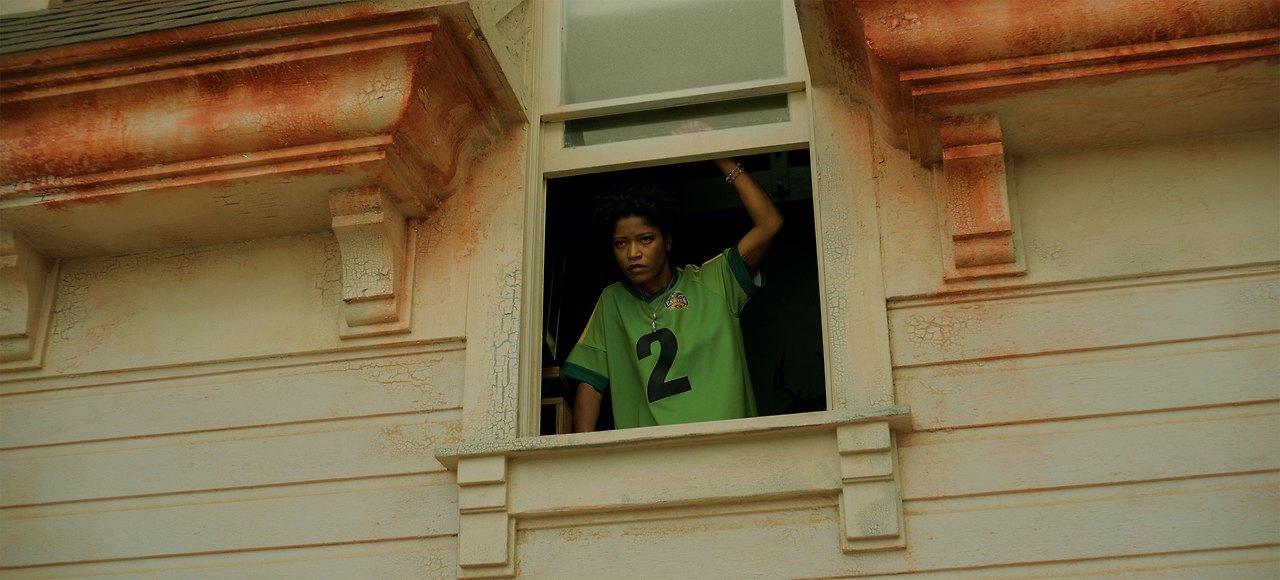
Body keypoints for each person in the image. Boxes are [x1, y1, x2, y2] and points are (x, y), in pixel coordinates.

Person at [563, 155, 784, 432]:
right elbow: (590, 382)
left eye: (645, 239)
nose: (633, 253)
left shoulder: (715, 281)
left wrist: (721, 157)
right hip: (651, 452)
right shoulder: (613, 301)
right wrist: (585, 450)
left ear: (667, 241)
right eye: (621, 243)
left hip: (726, 445)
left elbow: (769, 224)